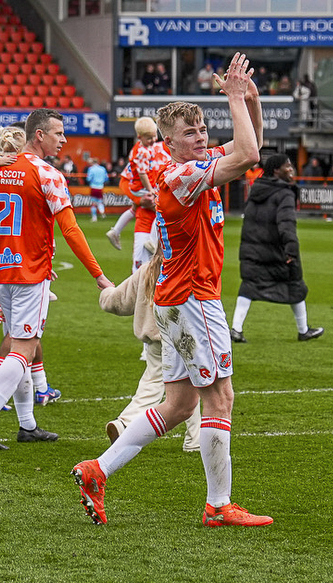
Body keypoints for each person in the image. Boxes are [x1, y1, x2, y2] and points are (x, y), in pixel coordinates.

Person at [72, 52, 273, 527]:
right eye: (190, 133)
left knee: (180, 404)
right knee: (220, 397)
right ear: (169, 143)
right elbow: (248, 156)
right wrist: (233, 98)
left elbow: (252, 144)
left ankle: (98, 470)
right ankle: (218, 506)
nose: (201, 138)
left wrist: (251, 101)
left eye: (203, 130)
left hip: (177, 298)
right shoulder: (181, 176)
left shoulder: (197, 164)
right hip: (194, 298)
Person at [0, 108, 113, 450]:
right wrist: (98, 274)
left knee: (20, 344)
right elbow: (71, 230)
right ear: (39, 135)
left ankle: (27, 425)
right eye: (58, 133)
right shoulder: (48, 173)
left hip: (3, 270)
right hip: (31, 272)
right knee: (24, 348)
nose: (64, 139)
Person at [0, 125, 62, 406]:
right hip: (27, 264)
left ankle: (36, 395)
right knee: (21, 339)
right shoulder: (32, 172)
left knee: (24, 336)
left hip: (6, 264)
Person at [100, 248, 201, 452]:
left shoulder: (147, 270)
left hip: (155, 341)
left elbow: (118, 302)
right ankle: (126, 423)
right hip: (182, 337)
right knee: (191, 382)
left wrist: (107, 291)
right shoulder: (186, 269)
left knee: (173, 383)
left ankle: (195, 440)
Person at [229, 154, 324, 343]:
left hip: (252, 247)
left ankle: (236, 329)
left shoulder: (257, 188)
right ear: (276, 170)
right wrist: (291, 250)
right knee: (295, 284)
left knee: (249, 285)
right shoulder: (285, 193)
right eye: (287, 166)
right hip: (274, 249)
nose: (291, 169)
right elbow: (286, 224)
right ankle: (303, 330)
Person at [106, 116, 167, 272]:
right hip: (145, 222)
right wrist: (138, 199)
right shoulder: (149, 150)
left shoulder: (184, 156)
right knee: (140, 271)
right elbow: (124, 181)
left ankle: (116, 231)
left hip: (172, 225)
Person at [86, 157, 108, 222]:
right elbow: (106, 178)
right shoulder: (103, 169)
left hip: (93, 187)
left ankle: (94, 217)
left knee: (93, 203)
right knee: (100, 201)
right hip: (100, 187)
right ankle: (102, 211)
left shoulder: (91, 169)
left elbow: (88, 178)